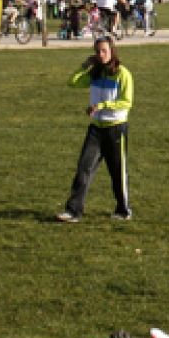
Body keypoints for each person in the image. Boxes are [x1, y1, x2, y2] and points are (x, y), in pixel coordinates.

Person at [57, 37, 134, 222]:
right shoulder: (95, 74)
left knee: (117, 172)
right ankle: (74, 210)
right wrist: (84, 67)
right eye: (97, 51)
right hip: (96, 130)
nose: (100, 55)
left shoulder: (123, 74)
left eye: (104, 51)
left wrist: (102, 105)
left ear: (112, 51)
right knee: (84, 168)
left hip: (115, 129)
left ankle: (123, 210)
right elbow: (72, 82)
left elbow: (127, 102)